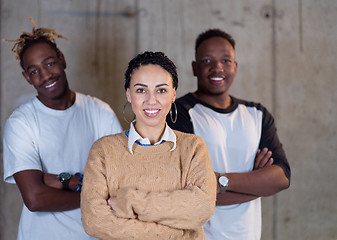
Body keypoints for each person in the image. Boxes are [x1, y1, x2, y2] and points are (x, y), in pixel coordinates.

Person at [2, 19, 122, 240]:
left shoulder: (100, 112)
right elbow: (35, 198)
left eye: (49, 63)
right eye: (34, 71)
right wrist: (90, 192)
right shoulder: (21, 122)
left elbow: (118, 184)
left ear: (62, 60)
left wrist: (52, 179)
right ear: (27, 78)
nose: (46, 75)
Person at [166, 29, 291, 239]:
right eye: (207, 60)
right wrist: (257, 182)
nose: (217, 68)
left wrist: (220, 181)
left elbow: (282, 177)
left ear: (235, 66)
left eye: (226, 60)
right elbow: (189, 191)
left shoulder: (257, 114)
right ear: (195, 68)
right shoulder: (179, 113)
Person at [81, 51, 217, 240]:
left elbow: (202, 208)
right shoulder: (103, 150)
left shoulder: (193, 148)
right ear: (128, 94)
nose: (151, 100)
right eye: (140, 90)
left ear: (173, 94)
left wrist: (128, 201)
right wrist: (180, 231)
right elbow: (94, 221)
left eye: (161, 90)